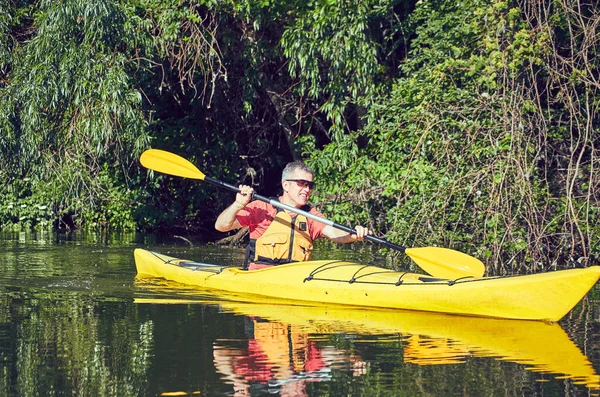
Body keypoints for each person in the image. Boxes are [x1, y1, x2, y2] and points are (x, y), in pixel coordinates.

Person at [215, 161, 370, 270]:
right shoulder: (261, 208)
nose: (307, 189)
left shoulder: (311, 215)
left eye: (310, 185)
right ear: (286, 185)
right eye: (301, 183)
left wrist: (353, 234)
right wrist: (238, 204)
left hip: (296, 278)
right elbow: (221, 226)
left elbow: (335, 233)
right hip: (261, 276)